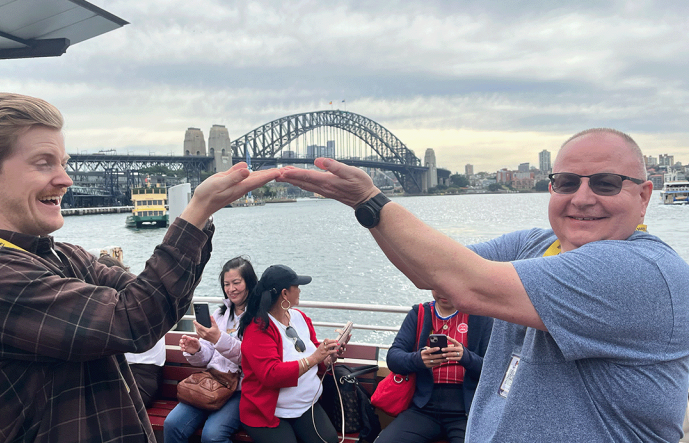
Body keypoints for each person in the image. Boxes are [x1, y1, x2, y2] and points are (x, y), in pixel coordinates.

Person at [279, 128, 689, 442]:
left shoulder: (644, 272)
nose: (582, 198)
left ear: (644, 196)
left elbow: (465, 283)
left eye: (605, 183)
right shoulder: (537, 244)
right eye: (566, 182)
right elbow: (433, 273)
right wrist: (366, 209)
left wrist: (370, 199)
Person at [0, 93, 280, 443]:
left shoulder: (61, 255)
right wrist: (197, 210)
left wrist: (201, 219)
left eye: (63, 163)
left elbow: (156, 303)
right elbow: (134, 319)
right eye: (44, 163)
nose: (65, 179)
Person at [238, 264, 340, 443]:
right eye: (297, 287)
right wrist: (315, 358)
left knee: (329, 440)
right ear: (285, 294)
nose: (300, 291)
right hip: (269, 411)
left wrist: (327, 358)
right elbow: (271, 374)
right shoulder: (258, 328)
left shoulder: (300, 317)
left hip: (306, 405)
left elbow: (314, 352)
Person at [375, 290, 492, 443]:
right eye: (438, 286)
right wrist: (419, 359)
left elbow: (493, 371)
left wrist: (466, 357)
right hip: (423, 407)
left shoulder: (480, 317)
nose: (443, 292)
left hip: (465, 411)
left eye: (448, 286)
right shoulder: (419, 313)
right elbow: (393, 358)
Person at [163, 256, 258, 443]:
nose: (231, 289)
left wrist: (218, 339)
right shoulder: (220, 315)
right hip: (212, 383)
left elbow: (250, 358)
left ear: (249, 282)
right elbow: (206, 358)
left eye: (236, 282)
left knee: (212, 436)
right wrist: (196, 349)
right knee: (172, 424)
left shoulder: (259, 318)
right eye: (226, 284)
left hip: (240, 390)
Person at [97, 254, 165, 409]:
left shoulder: (127, 308)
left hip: (140, 378)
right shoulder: (135, 299)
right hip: (134, 375)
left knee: (96, 407)